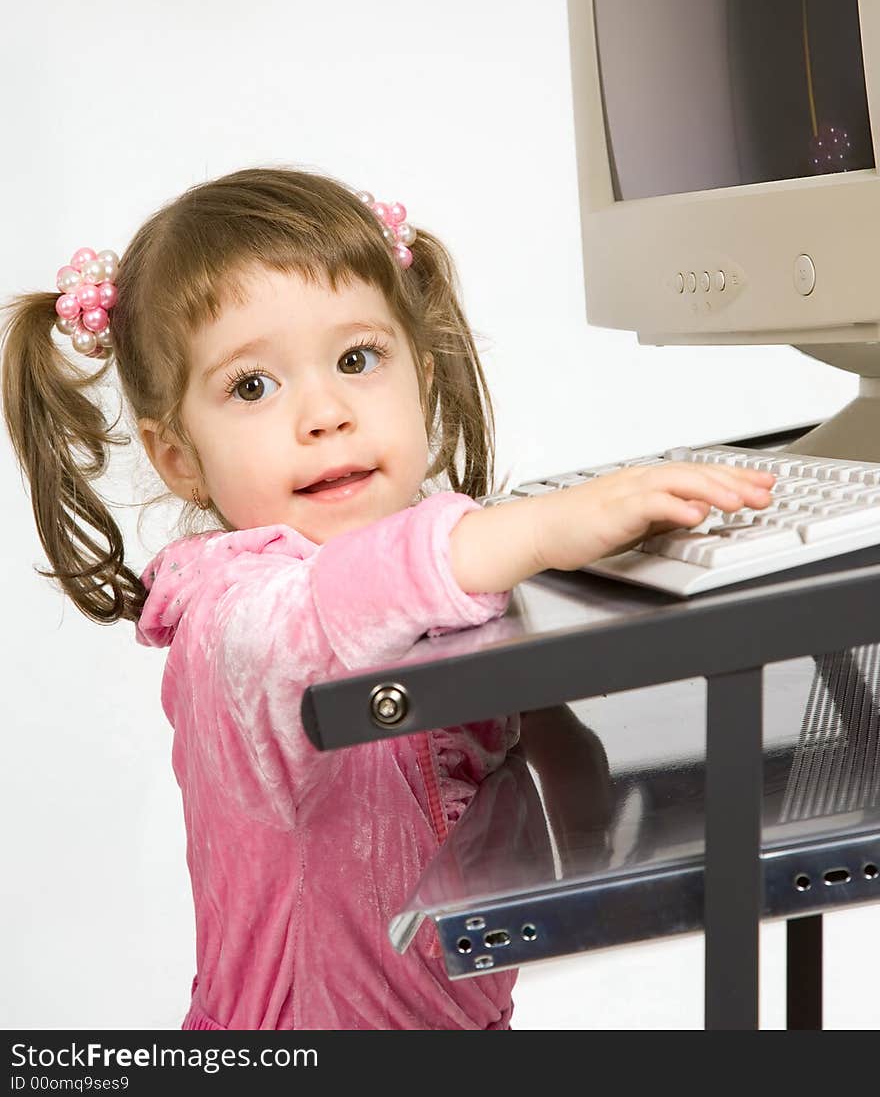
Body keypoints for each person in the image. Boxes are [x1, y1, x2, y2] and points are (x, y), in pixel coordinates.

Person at [0, 166, 774, 1030]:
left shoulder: (440, 569)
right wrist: (547, 527)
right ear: (177, 454)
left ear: (423, 378)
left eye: (357, 359)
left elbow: (543, 760)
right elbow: (329, 609)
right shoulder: (231, 614)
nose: (324, 412)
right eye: (253, 386)